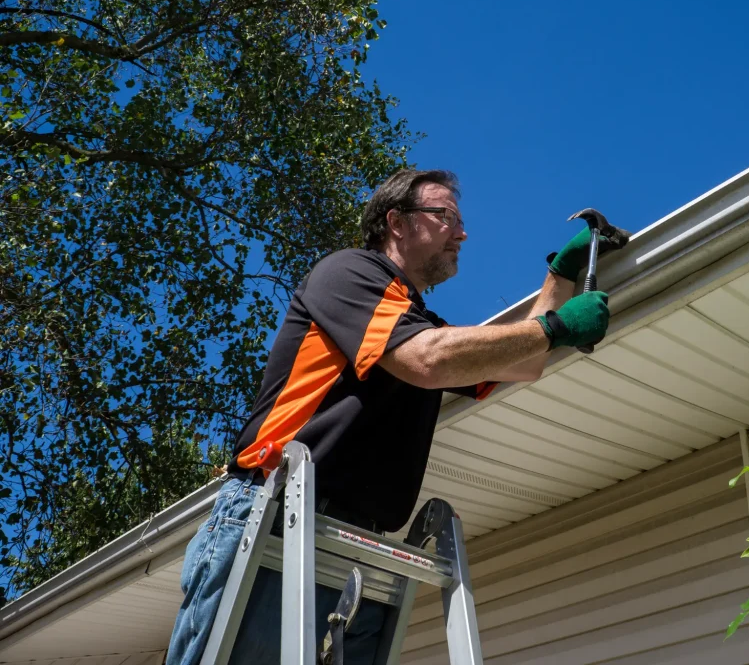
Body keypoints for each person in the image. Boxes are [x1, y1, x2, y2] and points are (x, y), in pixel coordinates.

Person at [166, 169, 626, 664]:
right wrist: (556, 326)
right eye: (445, 216)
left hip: (347, 544)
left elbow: (524, 361)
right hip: (272, 516)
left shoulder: (416, 322)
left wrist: (559, 275)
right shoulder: (348, 273)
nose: (462, 232)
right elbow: (428, 359)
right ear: (397, 222)